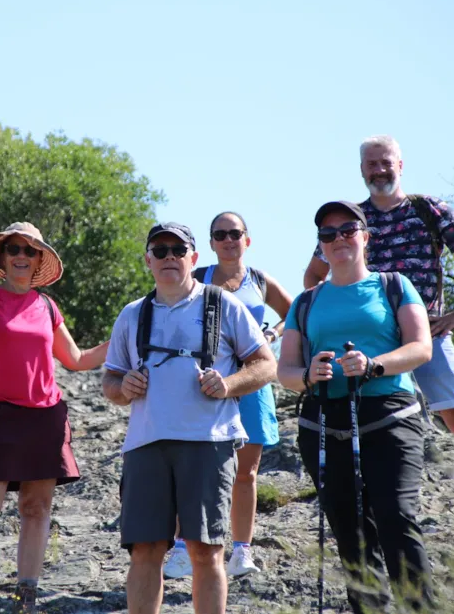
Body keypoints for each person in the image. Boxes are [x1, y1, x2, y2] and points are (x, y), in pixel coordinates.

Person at [303, 135, 454, 522]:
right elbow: (314, 275)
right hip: (371, 342)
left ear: (400, 165)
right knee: (364, 423)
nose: (379, 170)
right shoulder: (351, 221)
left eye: (386, 162)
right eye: (371, 164)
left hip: (428, 335)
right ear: (362, 170)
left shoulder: (426, 209)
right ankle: (373, 511)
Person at [0, 222, 109, 614]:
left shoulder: (47, 306)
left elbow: (76, 360)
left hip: (44, 417)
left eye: (30, 251)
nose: (21, 256)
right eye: (14, 248)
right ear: (3, 257)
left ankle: (26, 592)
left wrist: (126, 337)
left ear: (38, 260)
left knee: (36, 507)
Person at [102, 222, 276, 614]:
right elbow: (110, 381)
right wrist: (123, 385)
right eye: (159, 250)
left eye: (177, 250)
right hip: (146, 445)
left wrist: (229, 384)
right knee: (144, 550)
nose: (168, 257)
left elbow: (266, 365)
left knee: (205, 549)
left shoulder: (223, 305)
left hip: (209, 443)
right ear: (147, 260)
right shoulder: (132, 315)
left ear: (193, 259)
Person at [280, 201, 434, 612]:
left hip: (390, 416)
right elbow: (286, 370)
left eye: (348, 230)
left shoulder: (394, 285)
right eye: (328, 235)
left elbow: (422, 346)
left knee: (396, 518)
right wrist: (309, 374)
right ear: (321, 247)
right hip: (326, 422)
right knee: (350, 532)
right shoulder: (306, 301)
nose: (338, 240)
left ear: (366, 237)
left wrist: (374, 365)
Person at [163, 212, 293, 579]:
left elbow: (293, 311)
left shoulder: (259, 281)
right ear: (210, 243)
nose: (227, 239)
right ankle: (180, 547)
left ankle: (241, 551)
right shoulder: (198, 277)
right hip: (203, 382)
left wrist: (272, 336)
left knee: (246, 473)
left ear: (246, 239)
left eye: (234, 233)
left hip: (251, 381)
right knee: (189, 467)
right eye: (219, 234)